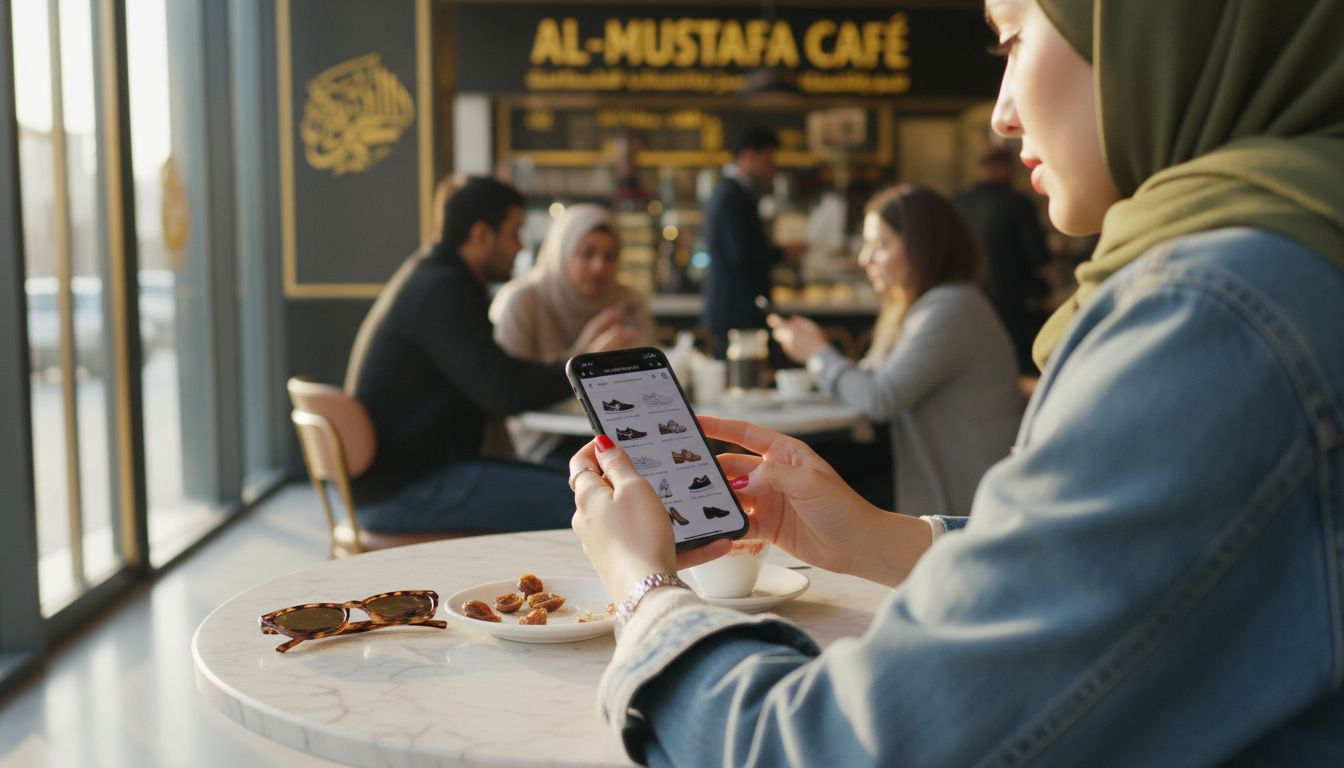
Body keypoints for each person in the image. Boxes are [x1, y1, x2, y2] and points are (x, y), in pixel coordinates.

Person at [567, 0, 1344, 764]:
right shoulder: (1297, 253)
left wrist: (642, 587)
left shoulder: (1209, 316)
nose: (1002, 114)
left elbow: (829, 750)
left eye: (1012, 42)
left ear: (1153, 32)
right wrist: (879, 538)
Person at [343, 177, 622, 534]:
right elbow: (504, 392)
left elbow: (499, 381)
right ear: (480, 235)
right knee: (591, 496)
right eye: (514, 233)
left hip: (410, 479)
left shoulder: (434, 278)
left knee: (582, 480)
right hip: (406, 492)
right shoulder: (443, 291)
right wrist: (586, 366)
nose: (521, 247)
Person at [768, 184, 1022, 516]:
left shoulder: (950, 308)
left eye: (881, 245)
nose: (864, 258)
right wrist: (818, 352)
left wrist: (817, 354)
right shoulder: (919, 305)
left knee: (802, 490)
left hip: (968, 502)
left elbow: (879, 398)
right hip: (934, 482)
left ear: (924, 248)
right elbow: (870, 379)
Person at [490, 203, 648, 464]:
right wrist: (584, 352)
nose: (599, 266)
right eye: (587, 253)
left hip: (615, 435)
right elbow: (513, 388)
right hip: (541, 439)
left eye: (610, 257)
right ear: (562, 251)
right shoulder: (521, 301)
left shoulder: (626, 301)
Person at [700, 128, 798, 358]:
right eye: (768, 159)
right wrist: (783, 253)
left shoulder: (733, 192)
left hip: (734, 309)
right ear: (748, 155)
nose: (772, 167)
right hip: (736, 311)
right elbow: (741, 254)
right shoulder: (731, 195)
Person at [954, 146, 1053, 373]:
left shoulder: (959, 203)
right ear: (1003, 168)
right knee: (1013, 363)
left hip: (968, 297)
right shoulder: (1017, 203)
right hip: (1011, 300)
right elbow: (1038, 255)